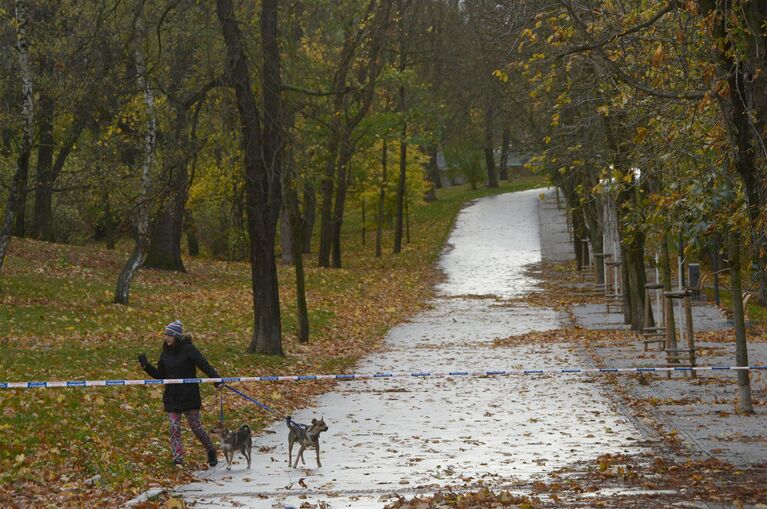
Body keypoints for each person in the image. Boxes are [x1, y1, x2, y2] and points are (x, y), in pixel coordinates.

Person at [138, 320, 221, 467]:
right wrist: (146, 366)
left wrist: (216, 379)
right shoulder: (165, 353)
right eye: (165, 335)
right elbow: (160, 375)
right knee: (174, 427)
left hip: (189, 395)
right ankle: (178, 459)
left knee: (195, 426)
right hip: (172, 396)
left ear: (176, 336)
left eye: (169, 335)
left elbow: (204, 364)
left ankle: (210, 450)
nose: (166, 338)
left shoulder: (189, 349)